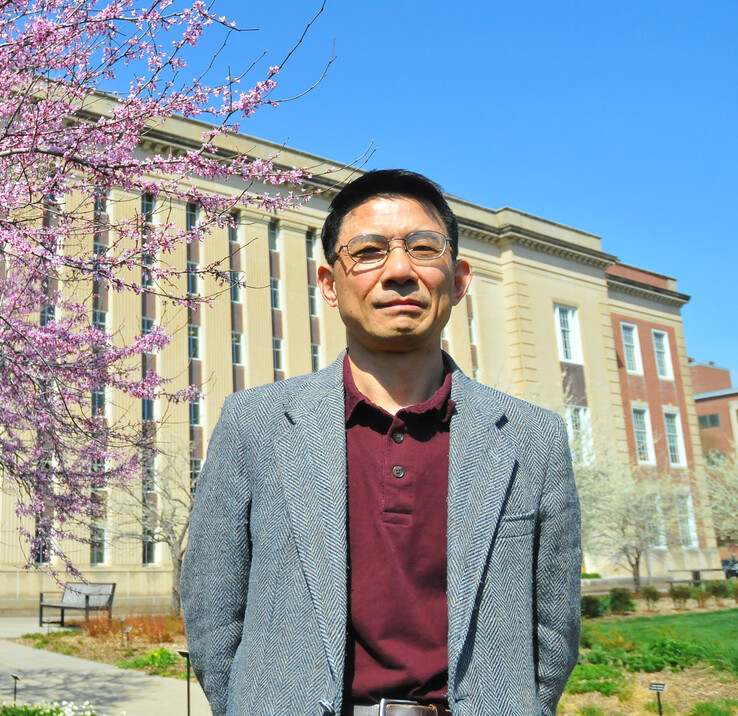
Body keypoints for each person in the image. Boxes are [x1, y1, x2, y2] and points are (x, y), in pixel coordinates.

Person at [181, 169, 581, 716]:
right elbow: (212, 605)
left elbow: (553, 627)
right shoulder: (257, 423)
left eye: (423, 247)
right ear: (328, 282)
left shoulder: (532, 437)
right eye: (367, 251)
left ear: (460, 279)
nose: (398, 271)